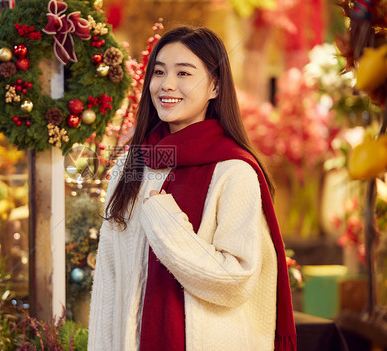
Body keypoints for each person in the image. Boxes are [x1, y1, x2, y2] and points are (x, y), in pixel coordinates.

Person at [88, 26, 296, 351]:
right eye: (159, 72)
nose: (166, 84)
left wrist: (165, 223)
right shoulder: (131, 167)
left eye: (184, 72)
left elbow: (234, 281)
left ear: (215, 85)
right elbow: (109, 281)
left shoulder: (234, 171)